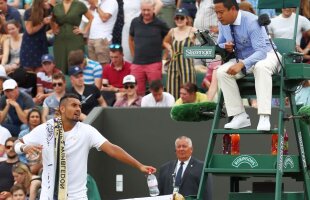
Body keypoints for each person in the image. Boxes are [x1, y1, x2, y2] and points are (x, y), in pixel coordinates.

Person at [14, 93, 156, 199]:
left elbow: (112, 149)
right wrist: (24, 148)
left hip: (78, 197)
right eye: (74, 105)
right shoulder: (46, 128)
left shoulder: (87, 131)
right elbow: (17, 143)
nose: (78, 109)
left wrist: (139, 166)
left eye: (80, 106)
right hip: (49, 196)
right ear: (62, 109)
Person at [214, 0, 281, 131]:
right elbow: (220, 44)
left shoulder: (252, 21)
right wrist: (225, 46)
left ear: (233, 9)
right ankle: (239, 116)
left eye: (221, 12)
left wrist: (242, 64)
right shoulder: (223, 23)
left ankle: (264, 116)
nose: (218, 16)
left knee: (260, 67)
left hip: (267, 55)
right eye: (216, 12)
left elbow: (261, 52)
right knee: (222, 72)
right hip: (242, 59)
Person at [129, 0, 169, 96]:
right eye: (143, 10)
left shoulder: (160, 24)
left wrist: (165, 56)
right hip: (137, 64)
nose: (146, 12)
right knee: (137, 92)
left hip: (154, 63)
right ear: (140, 9)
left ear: (153, 9)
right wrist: (134, 55)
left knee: (156, 91)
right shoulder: (135, 22)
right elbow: (130, 39)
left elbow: (169, 39)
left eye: (148, 10)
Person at [51, 0, 93, 74]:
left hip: (75, 39)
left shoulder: (80, 5)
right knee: (60, 64)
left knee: (76, 62)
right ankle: (62, 83)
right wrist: (54, 29)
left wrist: (84, 30)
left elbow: (91, 18)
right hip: (60, 40)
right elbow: (51, 20)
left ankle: (77, 83)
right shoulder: (57, 7)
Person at [163, 8, 197, 99]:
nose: (179, 20)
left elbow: (205, 42)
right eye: (177, 18)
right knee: (171, 91)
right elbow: (165, 42)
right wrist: (170, 49)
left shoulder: (193, 30)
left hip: (187, 66)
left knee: (188, 92)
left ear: (186, 19)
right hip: (173, 65)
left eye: (181, 18)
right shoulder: (172, 31)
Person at [19, 0, 52, 72]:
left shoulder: (48, 10)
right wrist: (43, 23)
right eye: (45, 1)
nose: (47, 3)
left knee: (41, 69)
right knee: (29, 70)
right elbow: (30, 31)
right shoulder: (29, 12)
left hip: (41, 42)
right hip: (30, 43)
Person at [87, 0, 118, 67]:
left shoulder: (112, 2)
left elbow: (104, 18)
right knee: (92, 67)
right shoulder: (99, 2)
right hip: (92, 38)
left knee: (104, 68)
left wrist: (96, 5)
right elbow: (88, 18)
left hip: (102, 39)